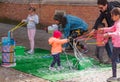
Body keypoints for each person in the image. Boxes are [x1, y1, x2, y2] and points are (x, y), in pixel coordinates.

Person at [101, 7, 120, 81]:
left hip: (117, 45)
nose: (111, 17)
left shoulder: (118, 24)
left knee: (113, 60)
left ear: (117, 15)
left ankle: (114, 76)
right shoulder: (117, 22)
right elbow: (112, 28)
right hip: (118, 44)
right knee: (114, 59)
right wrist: (104, 29)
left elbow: (118, 33)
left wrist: (108, 34)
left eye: (112, 15)